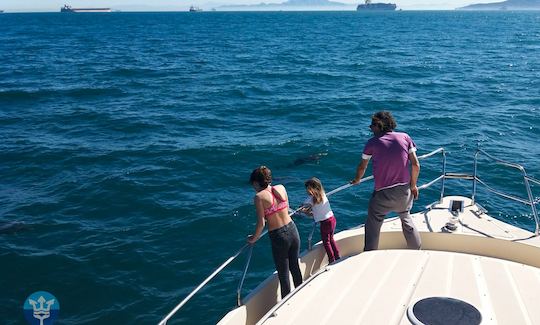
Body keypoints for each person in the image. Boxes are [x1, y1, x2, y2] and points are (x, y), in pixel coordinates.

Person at [350, 111, 422, 251]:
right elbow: (416, 165)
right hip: (404, 193)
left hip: (383, 195)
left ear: (379, 125)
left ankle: (370, 253)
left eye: (372, 125)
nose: (370, 128)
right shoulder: (405, 137)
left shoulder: (372, 143)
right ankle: (416, 249)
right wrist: (413, 186)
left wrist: (357, 180)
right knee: (406, 218)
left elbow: (362, 166)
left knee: (373, 224)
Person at [247, 166, 303, 298]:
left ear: (256, 182)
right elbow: (287, 208)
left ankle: (286, 304)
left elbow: (261, 223)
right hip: (292, 229)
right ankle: (301, 295)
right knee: (295, 266)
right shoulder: (281, 188)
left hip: (279, 236)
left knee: (283, 274)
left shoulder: (259, 197)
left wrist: (253, 238)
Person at [302, 177, 341, 263]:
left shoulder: (311, 199)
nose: (306, 192)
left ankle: (331, 259)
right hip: (332, 219)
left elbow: (304, 205)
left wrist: (304, 211)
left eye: (307, 189)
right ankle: (337, 256)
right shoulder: (323, 194)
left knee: (326, 242)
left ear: (311, 189)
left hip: (325, 223)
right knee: (331, 238)